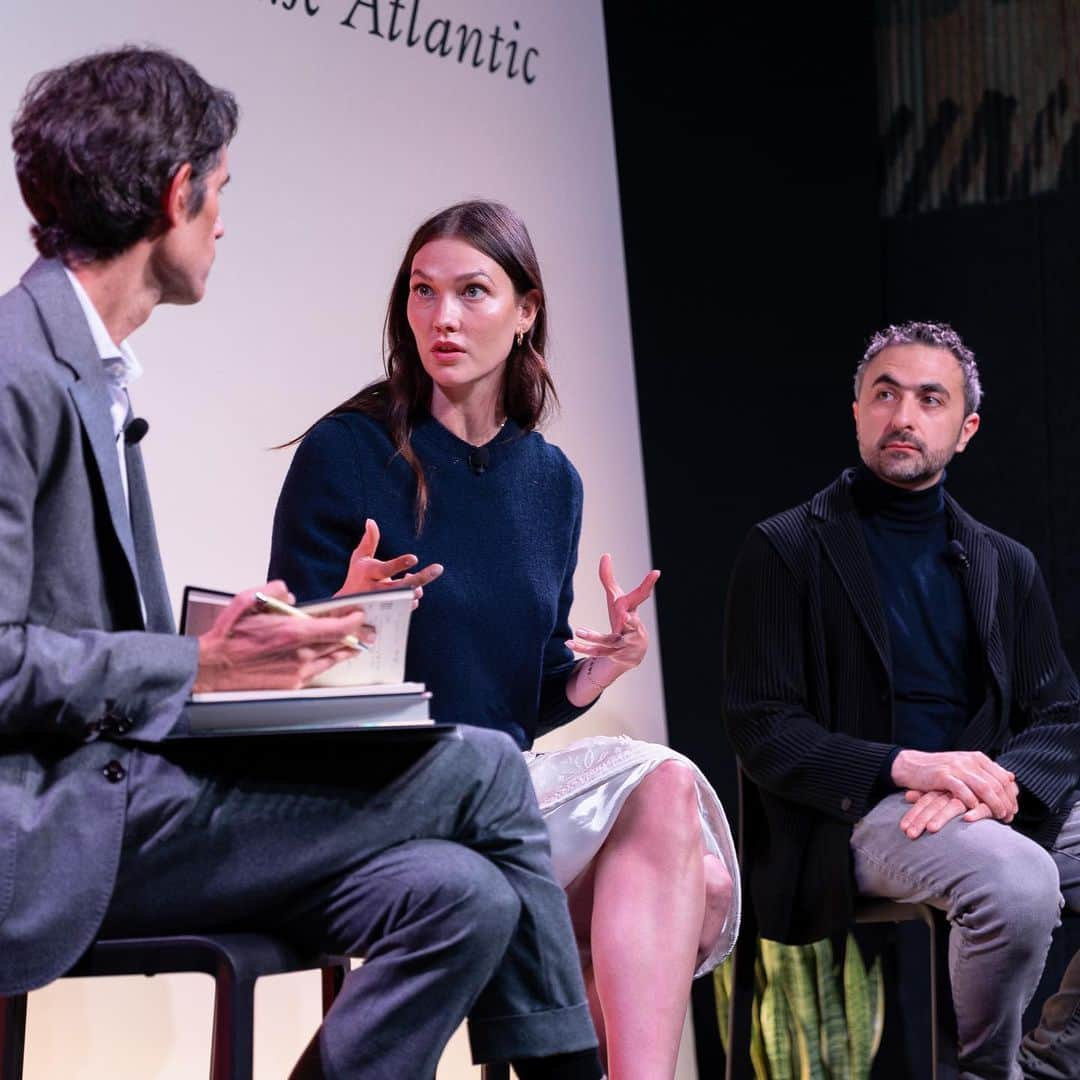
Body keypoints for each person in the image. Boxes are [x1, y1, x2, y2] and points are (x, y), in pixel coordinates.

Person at [0, 48, 606, 1080]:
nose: (224, 222)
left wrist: (268, 649)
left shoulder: (91, 370)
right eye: (221, 190)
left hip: (127, 790)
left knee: (467, 895)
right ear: (175, 191)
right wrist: (199, 668)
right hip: (52, 824)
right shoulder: (19, 371)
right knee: (485, 766)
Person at [268, 199, 740, 1079]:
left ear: (526, 312)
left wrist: (586, 676)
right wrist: (347, 609)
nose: (442, 318)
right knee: (680, 838)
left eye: (473, 293)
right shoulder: (346, 451)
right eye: (423, 292)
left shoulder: (549, 481)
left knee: (696, 875)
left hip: (503, 783)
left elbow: (518, 701)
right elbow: (277, 669)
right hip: (379, 785)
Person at [723, 320, 1080, 1079]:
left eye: (930, 398)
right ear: (856, 411)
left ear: (966, 427)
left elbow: (1060, 715)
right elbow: (764, 729)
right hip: (851, 813)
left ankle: (1047, 1068)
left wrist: (991, 786)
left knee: (1016, 860)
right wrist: (910, 767)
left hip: (980, 803)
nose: (904, 416)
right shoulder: (785, 548)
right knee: (1017, 884)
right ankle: (985, 1072)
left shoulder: (1003, 563)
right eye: (884, 395)